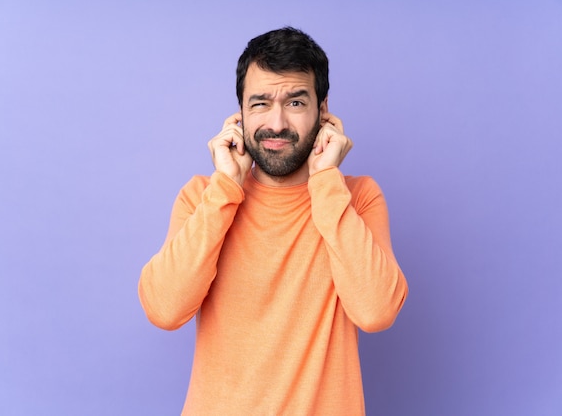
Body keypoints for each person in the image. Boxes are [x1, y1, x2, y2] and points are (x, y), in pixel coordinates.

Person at [138, 26, 408, 415]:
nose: (277, 123)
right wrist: (225, 188)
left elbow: (376, 311)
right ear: (239, 115)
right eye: (260, 103)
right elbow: (164, 310)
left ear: (323, 111)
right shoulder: (203, 197)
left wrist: (326, 182)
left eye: (296, 103)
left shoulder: (357, 197)